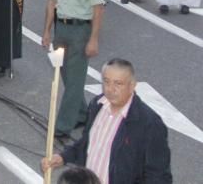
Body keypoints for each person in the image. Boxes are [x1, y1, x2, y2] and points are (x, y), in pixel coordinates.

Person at [42, 58, 172, 184]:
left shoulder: (149, 123)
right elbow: (87, 144)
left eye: (118, 83)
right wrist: (63, 157)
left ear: (132, 85)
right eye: (106, 81)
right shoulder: (97, 105)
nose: (110, 89)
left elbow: (158, 176)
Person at [42, 0, 105, 138]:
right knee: (65, 74)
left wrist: (94, 39)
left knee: (76, 78)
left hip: (81, 30)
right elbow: (51, 2)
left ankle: (62, 126)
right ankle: (82, 114)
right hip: (61, 28)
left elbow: (98, 9)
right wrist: (46, 32)